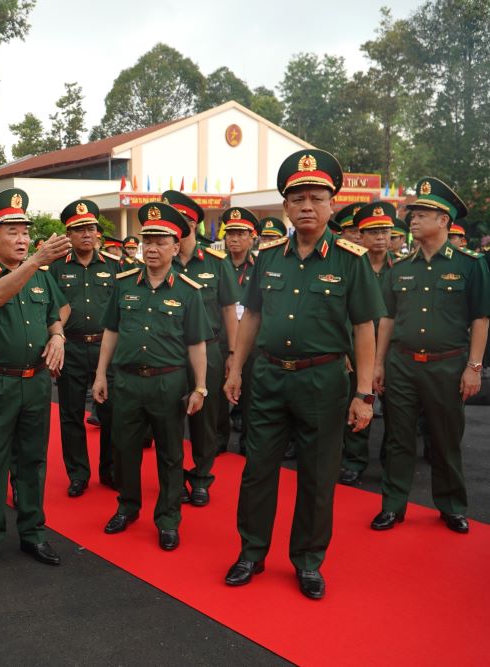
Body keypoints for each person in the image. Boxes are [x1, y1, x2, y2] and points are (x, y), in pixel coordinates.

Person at [223, 150, 384, 600]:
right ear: (286, 208)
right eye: (298, 199)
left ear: (332, 204)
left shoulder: (350, 260)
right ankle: (251, 553)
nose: (307, 207)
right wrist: (236, 369)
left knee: (316, 476)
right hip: (269, 379)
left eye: (316, 198)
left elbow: (364, 329)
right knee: (258, 471)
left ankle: (308, 561)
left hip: (323, 382)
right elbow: (251, 316)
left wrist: (364, 393)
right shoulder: (269, 256)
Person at [371, 177, 489, 535]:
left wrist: (474, 367)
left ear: (444, 221)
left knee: (445, 438)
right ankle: (393, 505)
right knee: (398, 438)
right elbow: (388, 318)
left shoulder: (470, 265)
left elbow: (480, 318)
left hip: (448, 365)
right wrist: (378, 363)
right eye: (413, 214)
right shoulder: (401, 268)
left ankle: (451, 506)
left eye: (423, 214)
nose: (413, 220)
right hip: (402, 363)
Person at [93, 202, 211, 551]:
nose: (153, 248)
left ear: (176, 247)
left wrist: (200, 387)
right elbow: (111, 332)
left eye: (161, 241)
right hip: (127, 381)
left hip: (168, 382)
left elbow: (197, 345)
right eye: (148, 241)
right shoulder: (124, 284)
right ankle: (127, 507)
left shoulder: (188, 291)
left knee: (171, 454)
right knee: (124, 448)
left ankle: (168, 519)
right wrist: (101, 375)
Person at [0, 188, 70, 572]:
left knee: (32, 461)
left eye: (25, 231)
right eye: (12, 231)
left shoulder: (41, 277)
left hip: (37, 382)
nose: (23, 238)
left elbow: (55, 314)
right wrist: (36, 261)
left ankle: (32, 533)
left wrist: (58, 335)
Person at [162, 190, 239, 506]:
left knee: (205, 418)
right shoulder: (160, 261)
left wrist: (233, 355)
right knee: (169, 418)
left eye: (176, 226)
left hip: (209, 351)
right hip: (168, 352)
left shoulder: (216, 263)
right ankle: (175, 477)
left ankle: (202, 476)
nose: (170, 234)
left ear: (191, 224)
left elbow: (228, 310)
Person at [50, 199, 119, 497]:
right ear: (69, 234)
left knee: (111, 413)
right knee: (71, 414)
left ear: (99, 233)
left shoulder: (117, 266)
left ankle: (111, 471)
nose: (86, 234)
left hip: (107, 350)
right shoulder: (54, 269)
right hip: (71, 349)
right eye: (79, 229)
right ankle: (78, 473)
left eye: (91, 228)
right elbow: (49, 311)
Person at [338, 201, 397, 485]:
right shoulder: (350, 266)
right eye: (373, 231)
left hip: (391, 352)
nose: (381, 237)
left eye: (385, 231)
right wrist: (345, 349)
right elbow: (342, 313)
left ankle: (391, 462)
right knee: (358, 403)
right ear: (360, 236)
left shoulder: (399, 269)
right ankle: (354, 460)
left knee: (395, 411)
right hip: (355, 349)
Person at [221, 207, 259, 454]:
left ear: (251, 236)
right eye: (230, 233)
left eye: (240, 234)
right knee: (216, 395)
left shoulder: (260, 264)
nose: (234, 239)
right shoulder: (217, 265)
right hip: (222, 339)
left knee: (252, 396)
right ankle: (218, 440)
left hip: (252, 340)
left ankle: (248, 442)